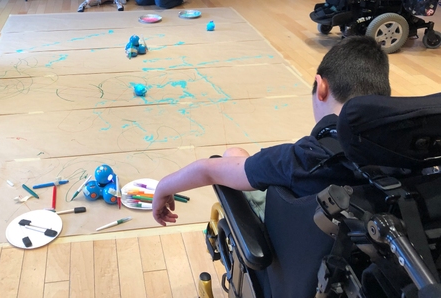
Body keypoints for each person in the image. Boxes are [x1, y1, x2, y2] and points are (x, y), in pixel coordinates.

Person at [151, 36, 391, 226]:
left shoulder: (301, 158)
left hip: (296, 244)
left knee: (233, 154)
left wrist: (163, 187)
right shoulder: (405, 154)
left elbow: (207, 170)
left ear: (321, 87)